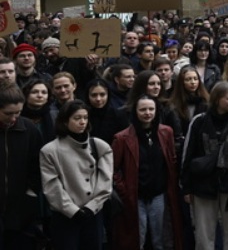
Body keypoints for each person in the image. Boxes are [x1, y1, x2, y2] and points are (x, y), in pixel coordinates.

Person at [180, 81, 228, 250]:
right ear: (217, 99)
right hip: (203, 185)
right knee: (204, 234)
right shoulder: (199, 122)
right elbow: (188, 154)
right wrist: (186, 187)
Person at [111, 95, 184, 250]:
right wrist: (124, 190)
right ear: (135, 111)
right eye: (143, 109)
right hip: (135, 196)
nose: (147, 113)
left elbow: (172, 161)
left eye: (151, 109)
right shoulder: (122, 138)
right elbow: (113, 168)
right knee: (138, 238)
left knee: (161, 238)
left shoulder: (166, 132)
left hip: (159, 193)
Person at [40, 100, 114, 250]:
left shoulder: (100, 145)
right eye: (77, 118)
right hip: (65, 215)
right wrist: (73, 211)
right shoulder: (50, 150)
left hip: (93, 212)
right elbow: (51, 186)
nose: (82, 122)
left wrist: (91, 207)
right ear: (65, 121)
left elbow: (106, 180)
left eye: (85, 118)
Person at [0, 84, 44, 249]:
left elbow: (38, 164)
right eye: (8, 114)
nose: (13, 118)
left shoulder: (29, 129)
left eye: (18, 113)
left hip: (20, 210)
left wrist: (31, 192)